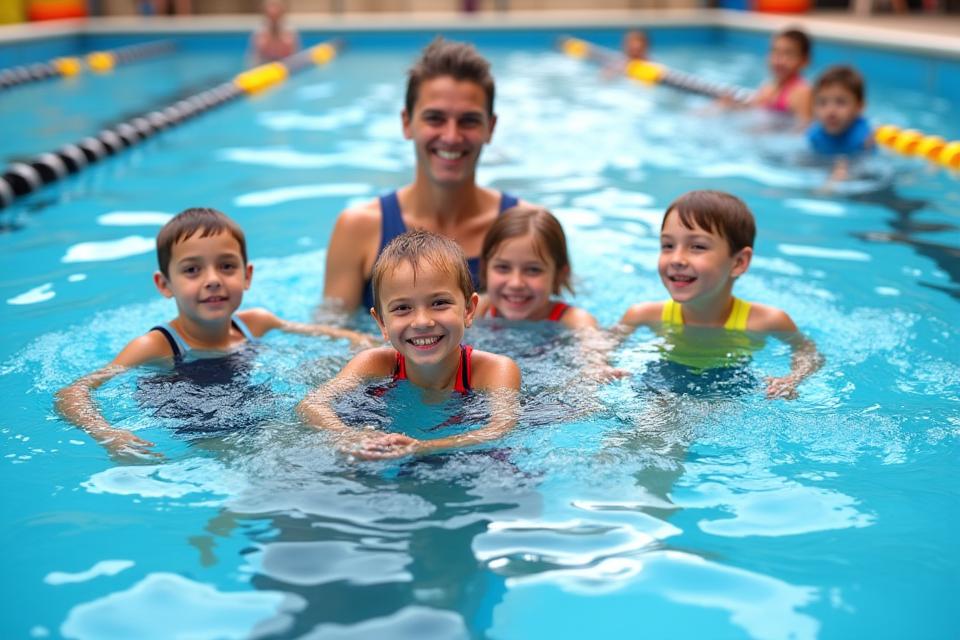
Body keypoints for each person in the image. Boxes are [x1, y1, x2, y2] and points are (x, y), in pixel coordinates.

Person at [56, 207, 374, 461]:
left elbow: (330, 334)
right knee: (271, 453)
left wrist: (359, 342)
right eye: (192, 270)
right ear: (164, 284)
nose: (213, 280)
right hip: (197, 419)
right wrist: (108, 434)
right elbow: (74, 392)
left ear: (247, 275)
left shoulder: (257, 322)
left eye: (226, 266)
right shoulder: (154, 346)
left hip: (247, 401)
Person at [322, 37, 525, 313]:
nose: (451, 136)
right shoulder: (359, 228)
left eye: (468, 121)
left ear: (490, 127)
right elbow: (328, 329)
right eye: (435, 119)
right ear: (407, 123)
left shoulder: (526, 229)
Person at [300, 230, 521, 460]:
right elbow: (312, 405)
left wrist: (423, 447)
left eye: (439, 303)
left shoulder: (494, 370)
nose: (422, 322)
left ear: (468, 310)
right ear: (382, 323)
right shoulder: (374, 363)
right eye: (402, 308)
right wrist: (349, 436)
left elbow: (500, 428)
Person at [618, 190, 822, 399]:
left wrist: (791, 379)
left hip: (732, 380)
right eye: (668, 246)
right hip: (663, 375)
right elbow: (603, 347)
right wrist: (600, 366)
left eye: (697, 246)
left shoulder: (768, 321)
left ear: (738, 262)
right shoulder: (642, 315)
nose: (676, 259)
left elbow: (808, 353)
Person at [476, 205, 597, 329]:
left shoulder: (575, 321)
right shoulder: (476, 310)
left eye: (533, 270)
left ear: (559, 276)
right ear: (485, 269)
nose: (516, 283)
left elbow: (591, 338)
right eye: (503, 267)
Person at [807, 65, 874, 182]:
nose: (830, 111)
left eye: (840, 102)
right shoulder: (814, 134)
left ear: (859, 107)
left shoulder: (865, 137)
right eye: (822, 103)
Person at [749, 28, 813, 124]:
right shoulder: (767, 87)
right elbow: (752, 109)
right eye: (775, 52)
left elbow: (805, 127)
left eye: (788, 54)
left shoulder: (801, 93)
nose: (779, 60)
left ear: (804, 60)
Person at [247, 0, 300, 66]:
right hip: (265, 67)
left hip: (284, 67)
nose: (273, 11)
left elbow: (296, 60)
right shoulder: (259, 34)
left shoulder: (290, 34)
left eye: (276, 10)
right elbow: (253, 61)